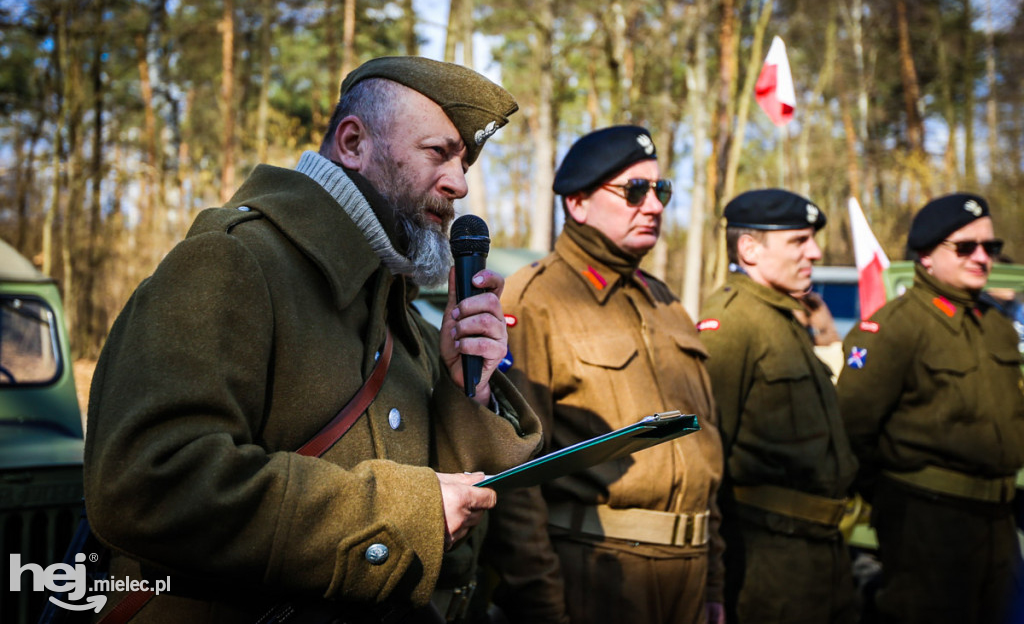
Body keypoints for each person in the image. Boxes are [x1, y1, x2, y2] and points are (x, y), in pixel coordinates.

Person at [83, 56, 542, 623]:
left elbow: (448, 533)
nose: (460, 182)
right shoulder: (232, 261)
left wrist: (462, 390)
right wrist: (395, 514)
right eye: (438, 152)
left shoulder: (403, 316)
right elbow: (147, 484)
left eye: (465, 161)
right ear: (353, 142)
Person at [481, 126, 726, 624]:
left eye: (661, 190)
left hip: (691, 578)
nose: (654, 205)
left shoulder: (667, 304)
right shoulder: (534, 301)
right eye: (634, 191)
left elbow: (705, 455)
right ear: (577, 203)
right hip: (598, 577)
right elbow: (515, 478)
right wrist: (542, 607)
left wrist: (714, 584)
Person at [836, 192, 1024, 624]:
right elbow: (851, 428)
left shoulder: (997, 327)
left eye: (989, 247)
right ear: (925, 256)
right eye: (965, 247)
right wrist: (893, 500)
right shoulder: (895, 327)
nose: (982, 257)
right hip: (928, 525)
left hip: (998, 522)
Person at [697, 188, 859, 624]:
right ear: (749, 248)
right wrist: (712, 578)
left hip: (819, 555)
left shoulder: (783, 318)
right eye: (799, 241)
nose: (816, 252)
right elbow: (706, 461)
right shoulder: (731, 322)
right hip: (765, 565)